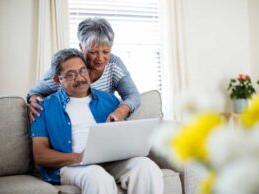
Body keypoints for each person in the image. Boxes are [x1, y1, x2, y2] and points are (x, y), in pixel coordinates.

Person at [31, 48, 163, 194]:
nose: (80, 78)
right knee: (98, 177)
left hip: (111, 161)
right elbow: (40, 155)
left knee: (147, 166)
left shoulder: (110, 101)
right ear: (57, 80)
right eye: (71, 74)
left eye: (83, 71)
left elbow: (124, 136)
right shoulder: (42, 107)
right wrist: (78, 157)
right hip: (71, 166)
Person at [28, 17, 140, 122]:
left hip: (102, 121)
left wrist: (120, 112)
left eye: (106, 52)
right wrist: (33, 99)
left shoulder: (114, 64)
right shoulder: (67, 65)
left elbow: (133, 95)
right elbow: (35, 92)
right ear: (81, 47)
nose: (100, 58)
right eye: (93, 52)